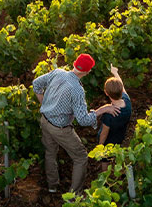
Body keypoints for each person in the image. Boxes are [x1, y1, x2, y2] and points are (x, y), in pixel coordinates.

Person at [32, 53, 116, 194]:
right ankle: (74, 196)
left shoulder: (58, 72)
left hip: (45, 121)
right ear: (87, 72)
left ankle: (52, 186)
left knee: (50, 153)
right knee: (81, 157)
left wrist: (45, 104)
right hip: (60, 129)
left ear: (74, 63)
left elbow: (36, 84)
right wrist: (102, 109)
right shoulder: (77, 90)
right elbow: (83, 120)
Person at [98, 67, 132, 148]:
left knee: (105, 159)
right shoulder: (127, 101)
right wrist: (115, 73)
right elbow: (122, 86)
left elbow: (104, 133)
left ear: (106, 93)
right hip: (119, 139)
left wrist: (100, 146)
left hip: (107, 144)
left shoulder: (109, 115)